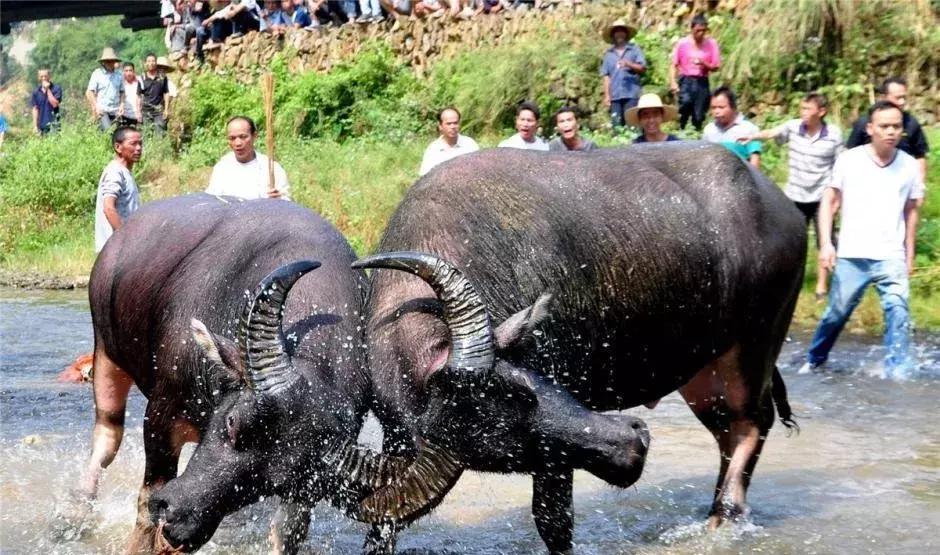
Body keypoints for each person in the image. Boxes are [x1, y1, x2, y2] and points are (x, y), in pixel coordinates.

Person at [800, 101, 923, 379]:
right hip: (853, 253)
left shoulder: (909, 166)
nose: (891, 131)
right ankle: (814, 359)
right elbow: (829, 200)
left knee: (898, 311)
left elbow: (912, 210)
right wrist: (827, 245)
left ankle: (897, 370)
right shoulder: (850, 160)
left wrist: (909, 254)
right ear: (870, 129)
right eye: (884, 126)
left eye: (896, 126)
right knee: (836, 314)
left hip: (891, 254)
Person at [737, 91, 844, 299]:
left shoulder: (834, 134)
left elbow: (841, 166)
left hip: (822, 196)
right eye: (801, 108)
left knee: (825, 240)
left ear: (821, 112)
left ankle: (821, 288)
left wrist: (838, 198)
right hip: (795, 194)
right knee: (791, 241)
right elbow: (773, 132)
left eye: (807, 109)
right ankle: (790, 282)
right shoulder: (794, 127)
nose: (802, 112)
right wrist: (753, 136)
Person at [846, 77, 929, 188]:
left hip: (901, 184)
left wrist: (920, 186)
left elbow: (920, 156)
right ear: (883, 97)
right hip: (868, 184)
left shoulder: (911, 123)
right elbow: (849, 154)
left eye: (904, 97)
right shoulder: (864, 122)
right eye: (898, 98)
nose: (902, 102)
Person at [206, 116, 291, 199]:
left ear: (254, 136)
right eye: (232, 138)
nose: (238, 143)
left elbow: (286, 203)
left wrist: (278, 199)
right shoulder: (222, 168)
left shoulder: (271, 168)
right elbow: (212, 200)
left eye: (243, 137)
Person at [95, 126, 143, 253]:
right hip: (116, 251)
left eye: (140, 144)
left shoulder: (124, 172)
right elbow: (108, 208)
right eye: (133, 144)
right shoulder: (115, 172)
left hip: (122, 250)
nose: (138, 148)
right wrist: (125, 238)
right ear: (118, 147)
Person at [669, 14, 721, 131]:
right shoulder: (682, 43)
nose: (701, 33)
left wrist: (704, 63)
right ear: (692, 29)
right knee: (685, 105)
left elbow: (716, 66)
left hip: (702, 81)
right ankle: (681, 130)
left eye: (704, 31)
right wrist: (673, 82)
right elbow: (674, 65)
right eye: (698, 30)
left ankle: (696, 136)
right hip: (686, 80)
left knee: (699, 115)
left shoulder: (711, 44)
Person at [600, 18, 646, 130]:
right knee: (616, 126)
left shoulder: (634, 50)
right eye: (616, 31)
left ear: (626, 33)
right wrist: (607, 96)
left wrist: (629, 64)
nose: (619, 34)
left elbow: (642, 68)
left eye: (621, 31)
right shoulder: (608, 54)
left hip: (631, 94)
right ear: (613, 34)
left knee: (633, 126)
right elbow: (606, 76)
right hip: (615, 96)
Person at [702, 86, 760, 168]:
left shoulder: (749, 129)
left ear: (733, 107)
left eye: (721, 107)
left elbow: (754, 160)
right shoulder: (709, 130)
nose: (716, 112)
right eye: (713, 108)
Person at [418, 107, 480, 176]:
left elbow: (480, 171)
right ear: (440, 126)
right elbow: (424, 178)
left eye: (455, 123)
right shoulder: (433, 150)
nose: (453, 127)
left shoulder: (470, 145)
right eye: (449, 124)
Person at [86, 48, 126, 132]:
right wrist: (95, 106)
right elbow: (90, 91)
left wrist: (122, 104)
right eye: (107, 61)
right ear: (103, 62)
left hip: (115, 110)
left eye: (111, 61)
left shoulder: (119, 74)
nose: (110, 63)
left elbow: (122, 91)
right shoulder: (97, 73)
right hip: (102, 109)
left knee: (116, 133)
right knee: (108, 130)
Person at [141, 54, 171, 135]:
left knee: (160, 134)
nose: (151, 63)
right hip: (146, 111)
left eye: (153, 61)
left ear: (156, 63)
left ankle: (160, 147)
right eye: (149, 61)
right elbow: (138, 96)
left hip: (159, 111)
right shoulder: (142, 77)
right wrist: (138, 111)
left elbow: (166, 92)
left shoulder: (162, 77)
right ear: (146, 63)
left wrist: (166, 109)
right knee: (147, 136)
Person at [30, 68, 63, 135]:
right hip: (41, 127)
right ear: (38, 77)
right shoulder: (36, 92)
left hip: (54, 125)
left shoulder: (56, 88)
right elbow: (35, 109)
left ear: (49, 76)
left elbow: (55, 104)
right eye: (41, 76)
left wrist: (47, 89)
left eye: (45, 76)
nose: (44, 78)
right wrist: (35, 126)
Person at [120, 62, 144, 127]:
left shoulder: (139, 81)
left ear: (134, 71)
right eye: (126, 71)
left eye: (130, 70)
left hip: (138, 116)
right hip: (124, 116)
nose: (128, 73)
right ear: (123, 72)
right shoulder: (120, 83)